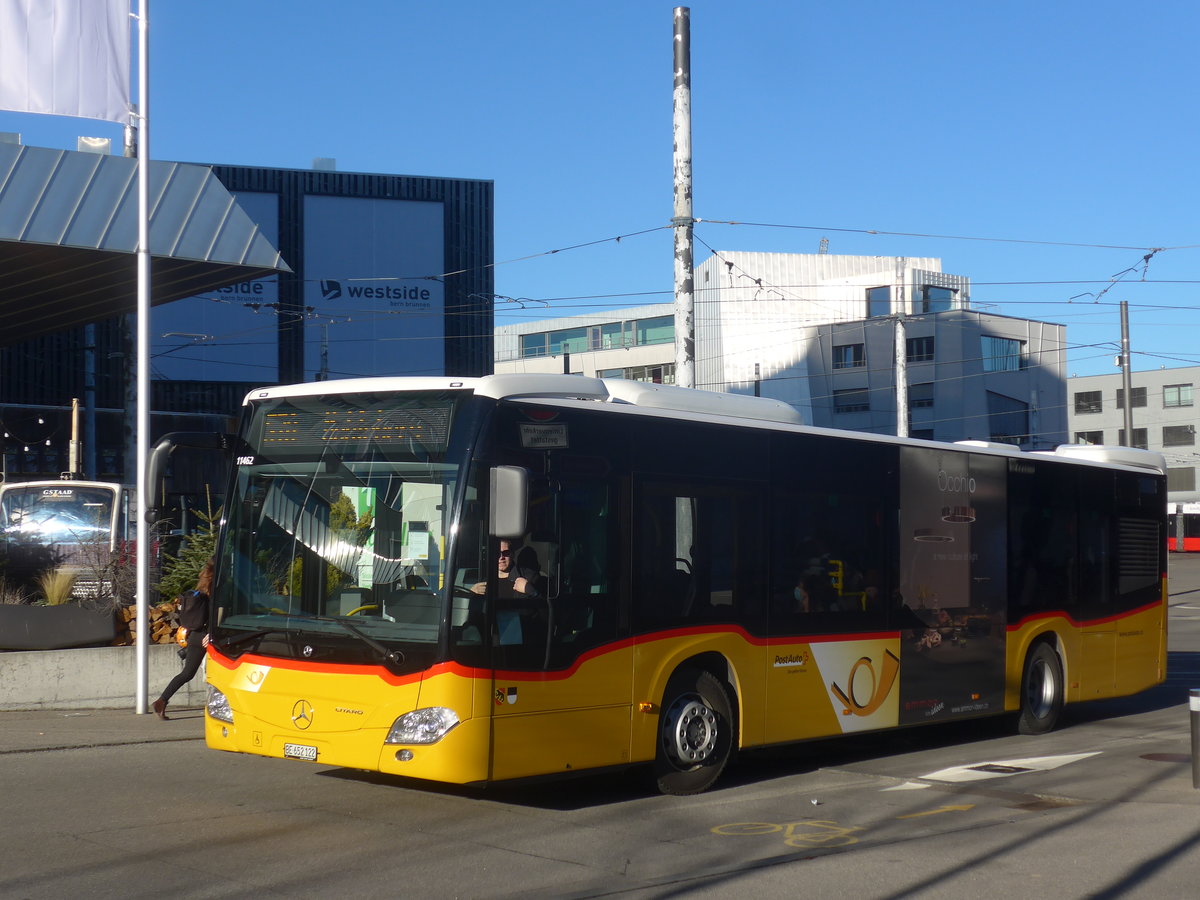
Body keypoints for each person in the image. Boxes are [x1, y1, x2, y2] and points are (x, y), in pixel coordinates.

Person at [153, 557, 214, 720]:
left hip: (195, 635)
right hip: (207, 636)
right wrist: (211, 633)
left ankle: (161, 701)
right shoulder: (215, 589)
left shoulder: (202, 587)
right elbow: (214, 615)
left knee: (187, 673)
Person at [471, 540, 540, 598]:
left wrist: (530, 590)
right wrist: (471, 594)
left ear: (513, 554)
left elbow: (543, 604)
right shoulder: (483, 579)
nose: (501, 557)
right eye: (497, 553)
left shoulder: (528, 577)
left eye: (506, 553)